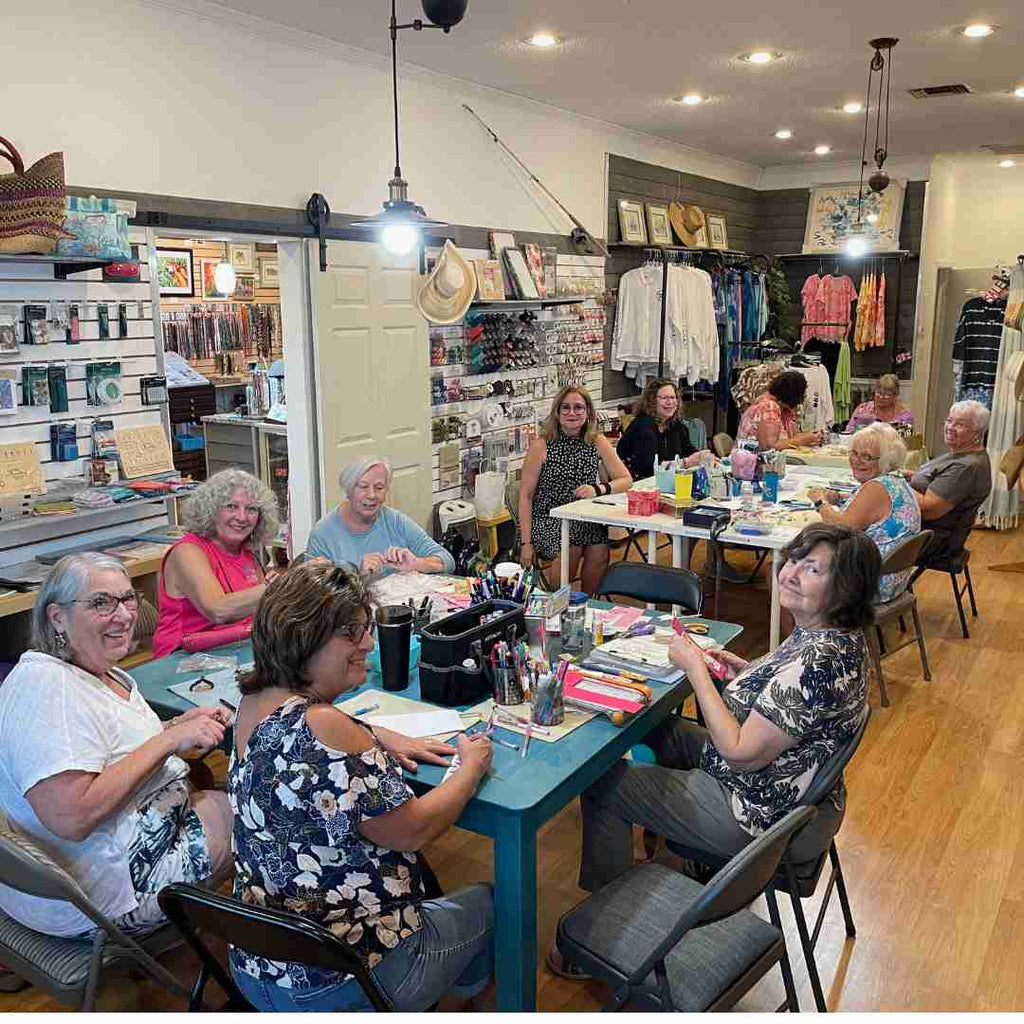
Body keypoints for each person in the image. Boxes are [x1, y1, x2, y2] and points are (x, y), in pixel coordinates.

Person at [551, 524, 879, 979]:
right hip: (782, 788)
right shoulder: (831, 636)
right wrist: (745, 674)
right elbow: (787, 702)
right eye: (797, 559)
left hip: (755, 813)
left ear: (845, 588)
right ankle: (675, 849)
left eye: (813, 568)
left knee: (604, 782)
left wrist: (696, 671)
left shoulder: (818, 662)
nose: (792, 572)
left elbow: (741, 751)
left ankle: (606, 926)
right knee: (660, 730)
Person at [228, 562, 494, 1012]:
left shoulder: (251, 705)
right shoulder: (326, 727)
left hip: (259, 966)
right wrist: (471, 768)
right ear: (305, 635)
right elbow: (414, 829)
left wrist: (366, 731)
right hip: (342, 981)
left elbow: (300, 739)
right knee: (491, 901)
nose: (368, 644)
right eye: (351, 634)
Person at [0, 553, 233, 947]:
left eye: (127, 599)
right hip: (101, 900)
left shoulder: (95, 670)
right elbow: (71, 817)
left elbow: (103, 747)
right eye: (100, 603)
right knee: (259, 817)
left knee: (219, 795)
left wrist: (174, 727)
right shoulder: (48, 690)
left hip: (107, 864)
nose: (123, 615)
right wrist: (166, 742)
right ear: (57, 617)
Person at [153, 468, 278, 659]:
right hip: (183, 658)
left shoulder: (246, 554)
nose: (242, 517)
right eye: (231, 506)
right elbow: (217, 610)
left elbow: (259, 609)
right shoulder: (187, 552)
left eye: (251, 509)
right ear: (210, 509)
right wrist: (275, 589)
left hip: (234, 651)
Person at [518, 385, 632, 594]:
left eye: (578, 407)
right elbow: (525, 496)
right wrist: (526, 543)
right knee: (571, 546)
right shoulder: (542, 445)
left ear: (588, 411)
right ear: (557, 412)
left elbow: (626, 479)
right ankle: (556, 603)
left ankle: (588, 605)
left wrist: (598, 489)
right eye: (566, 408)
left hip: (584, 517)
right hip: (548, 519)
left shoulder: (596, 441)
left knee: (599, 548)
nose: (572, 413)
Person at [808, 422, 921, 601]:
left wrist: (819, 501)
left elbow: (840, 528)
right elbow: (872, 507)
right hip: (893, 576)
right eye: (854, 453)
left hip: (867, 583)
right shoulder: (895, 480)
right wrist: (839, 497)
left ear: (885, 461)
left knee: (780, 568)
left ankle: (806, 629)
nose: (857, 460)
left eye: (867, 457)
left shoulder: (876, 488)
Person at [306, 457, 455, 577]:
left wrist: (417, 563)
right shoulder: (323, 533)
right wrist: (355, 572)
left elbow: (447, 560)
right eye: (363, 487)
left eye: (379, 488)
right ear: (348, 489)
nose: (371, 495)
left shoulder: (395, 521)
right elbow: (312, 592)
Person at [907, 399, 992, 562]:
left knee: (853, 537)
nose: (950, 427)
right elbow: (938, 480)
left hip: (931, 540)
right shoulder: (961, 452)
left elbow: (929, 510)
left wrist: (897, 485)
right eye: (949, 420)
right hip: (926, 531)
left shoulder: (966, 467)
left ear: (978, 432)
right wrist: (911, 476)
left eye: (960, 424)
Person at [616, 378, 703, 480]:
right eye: (664, 398)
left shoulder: (675, 425)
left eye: (673, 397)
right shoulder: (643, 427)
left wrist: (702, 456)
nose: (669, 402)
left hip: (662, 481)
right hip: (638, 484)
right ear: (652, 401)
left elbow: (688, 449)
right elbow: (649, 468)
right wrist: (686, 462)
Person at [736, 370, 822, 450]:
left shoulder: (783, 409)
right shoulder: (768, 407)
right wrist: (801, 441)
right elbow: (770, 446)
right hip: (750, 461)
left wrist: (810, 437)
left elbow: (791, 437)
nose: (804, 397)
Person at [843, 374, 913, 433]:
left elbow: (904, 440)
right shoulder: (863, 409)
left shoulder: (904, 415)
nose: (881, 397)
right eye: (878, 393)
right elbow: (849, 431)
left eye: (886, 394)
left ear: (895, 395)